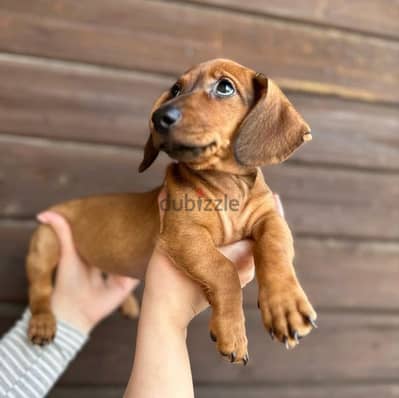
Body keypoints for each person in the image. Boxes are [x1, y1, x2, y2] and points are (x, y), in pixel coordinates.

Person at [1, 192, 282, 397]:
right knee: (47, 235)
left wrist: (72, 316)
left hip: (98, 273)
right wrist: (169, 316)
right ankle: (41, 308)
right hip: (76, 236)